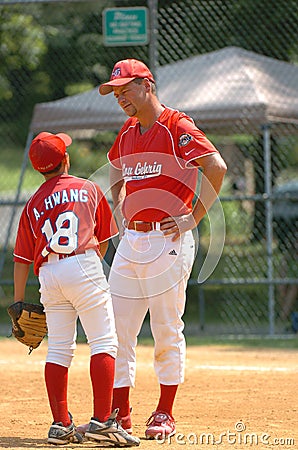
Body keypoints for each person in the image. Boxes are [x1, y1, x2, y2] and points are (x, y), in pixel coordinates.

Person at [86, 58, 226, 440]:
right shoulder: (129, 130)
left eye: (126, 89)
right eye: (115, 93)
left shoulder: (176, 125)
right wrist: (118, 201)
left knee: (165, 328)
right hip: (132, 240)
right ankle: (119, 412)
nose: (120, 98)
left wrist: (192, 217)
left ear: (147, 85)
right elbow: (115, 165)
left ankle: (164, 412)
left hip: (169, 240)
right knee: (117, 330)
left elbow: (216, 166)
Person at [12, 131, 140, 447]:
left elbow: (21, 258)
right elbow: (106, 238)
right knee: (104, 341)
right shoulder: (88, 188)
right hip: (83, 263)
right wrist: (88, 267)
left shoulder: (32, 203)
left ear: (38, 168)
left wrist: (17, 302)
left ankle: (60, 424)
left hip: (48, 273)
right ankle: (101, 421)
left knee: (59, 347)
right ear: (65, 160)